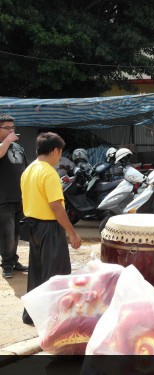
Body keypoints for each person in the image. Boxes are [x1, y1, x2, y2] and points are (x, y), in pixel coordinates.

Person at [21, 132, 82, 324]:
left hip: (32, 226)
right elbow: (56, 206)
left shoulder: (28, 170)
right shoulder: (49, 172)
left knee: (37, 272)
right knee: (56, 274)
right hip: (49, 228)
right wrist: (71, 232)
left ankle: (31, 315)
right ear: (55, 151)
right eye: (60, 153)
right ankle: (53, 318)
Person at [0, 114, 29, 279]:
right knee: (7, 233)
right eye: (7, 128)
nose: (12, 131)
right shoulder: (4, 145)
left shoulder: (18, 148)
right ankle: (7, 264)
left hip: (20, 198)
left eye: (13, 128)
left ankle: (13, 260)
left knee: (17, 233)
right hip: (3, 198)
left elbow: (24, 169)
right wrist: (8, 141)